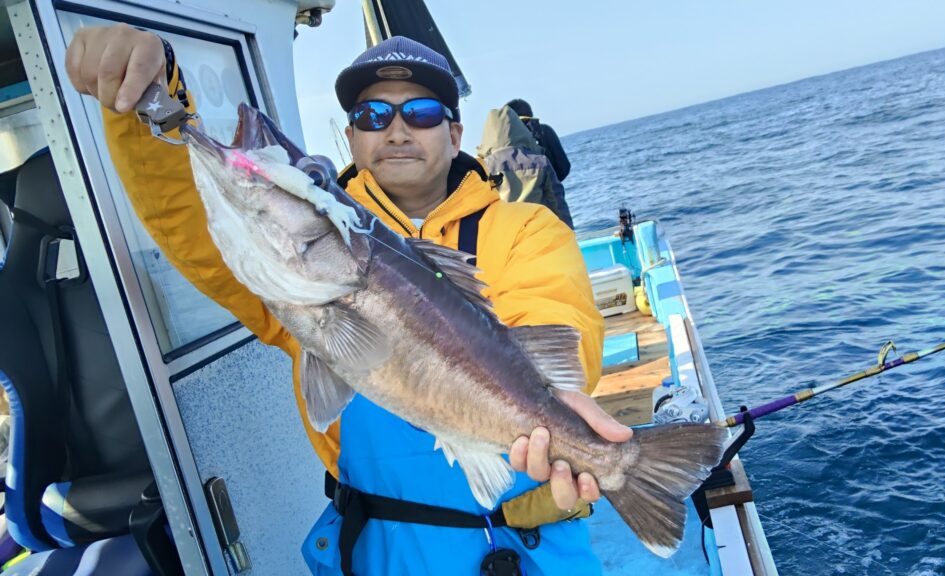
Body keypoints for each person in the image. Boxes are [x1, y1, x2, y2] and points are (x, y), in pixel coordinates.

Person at [65, 26, 632, 575]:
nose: (397, 129)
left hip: (526, 545)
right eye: (372, 115)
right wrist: (142, 100)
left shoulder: (525, 227)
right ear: (352, 138)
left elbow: (553, 314)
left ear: (455, 134)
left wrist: (560, 412)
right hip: (377, 548)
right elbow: (195, 222)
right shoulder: (287, 277)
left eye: (422, 112)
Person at [477, 105, 575, 229]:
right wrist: (567, 231)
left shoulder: (481, 168)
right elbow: (556, 201)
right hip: (539, 230)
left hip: (503, 233)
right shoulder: (539, 161)